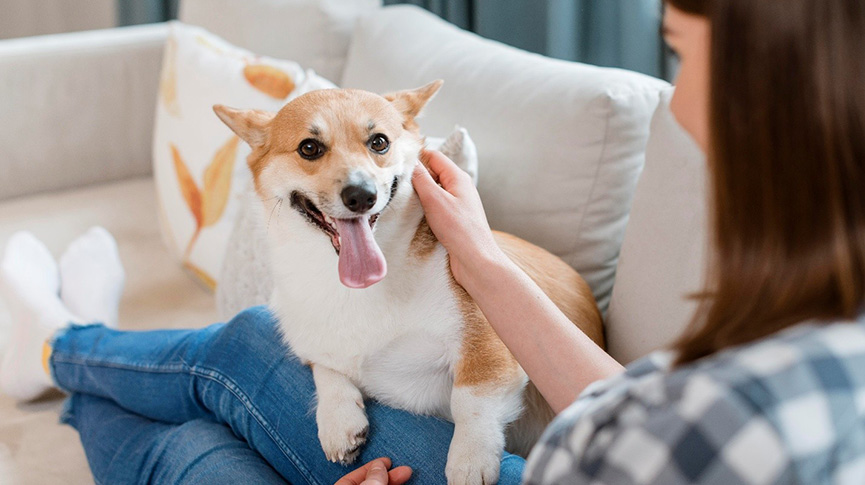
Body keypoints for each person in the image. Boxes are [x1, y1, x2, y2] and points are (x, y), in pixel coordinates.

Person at [2, 0, 864, 483]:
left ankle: (58, 345)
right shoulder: (807, 358)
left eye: (678, 55)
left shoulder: (748, 410)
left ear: (776, 91)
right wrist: (482, 258)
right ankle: (62, 346)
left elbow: (644, 433)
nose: (672, 100)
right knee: (205, 433)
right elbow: (638, 409)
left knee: (227, 374)